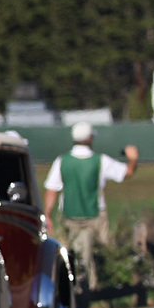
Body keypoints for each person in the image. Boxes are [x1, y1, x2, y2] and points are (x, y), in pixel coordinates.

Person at [43, 121, 139, 292]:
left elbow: (52, 189)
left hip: (69, 216)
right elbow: (127, 172)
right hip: (95, 215)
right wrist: (133, 158)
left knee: (72, 253)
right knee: (102, 251)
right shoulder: (100, 160)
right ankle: (99, 287)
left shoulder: (62, 161)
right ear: (89, 139)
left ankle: (78, 286)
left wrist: (48, 214)